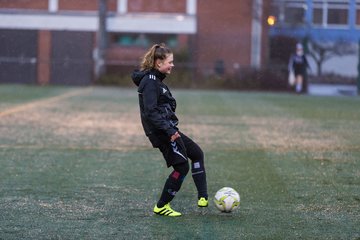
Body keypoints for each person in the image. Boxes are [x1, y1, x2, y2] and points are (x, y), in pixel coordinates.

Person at [131, 43, 208, 217]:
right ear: (159, 63)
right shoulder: (150, 82)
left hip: (168, 129)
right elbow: (150, 112)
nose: (172, 65)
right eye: (170, 62)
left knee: (196, 153)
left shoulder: (155, 80)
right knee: (181, 167)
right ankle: (161, 205)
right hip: (162, 132)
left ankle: (203, 197)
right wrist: (169, 131)